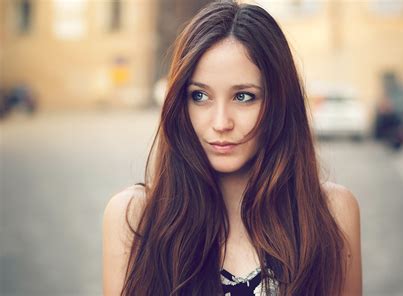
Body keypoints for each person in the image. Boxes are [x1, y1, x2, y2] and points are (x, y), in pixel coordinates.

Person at [102, 1, 362, 295]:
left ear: (279, 101)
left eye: (243, 97)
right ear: (179, 103)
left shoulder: (332, 213)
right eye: (199, 96)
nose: (221, 122)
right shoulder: (135, 218)